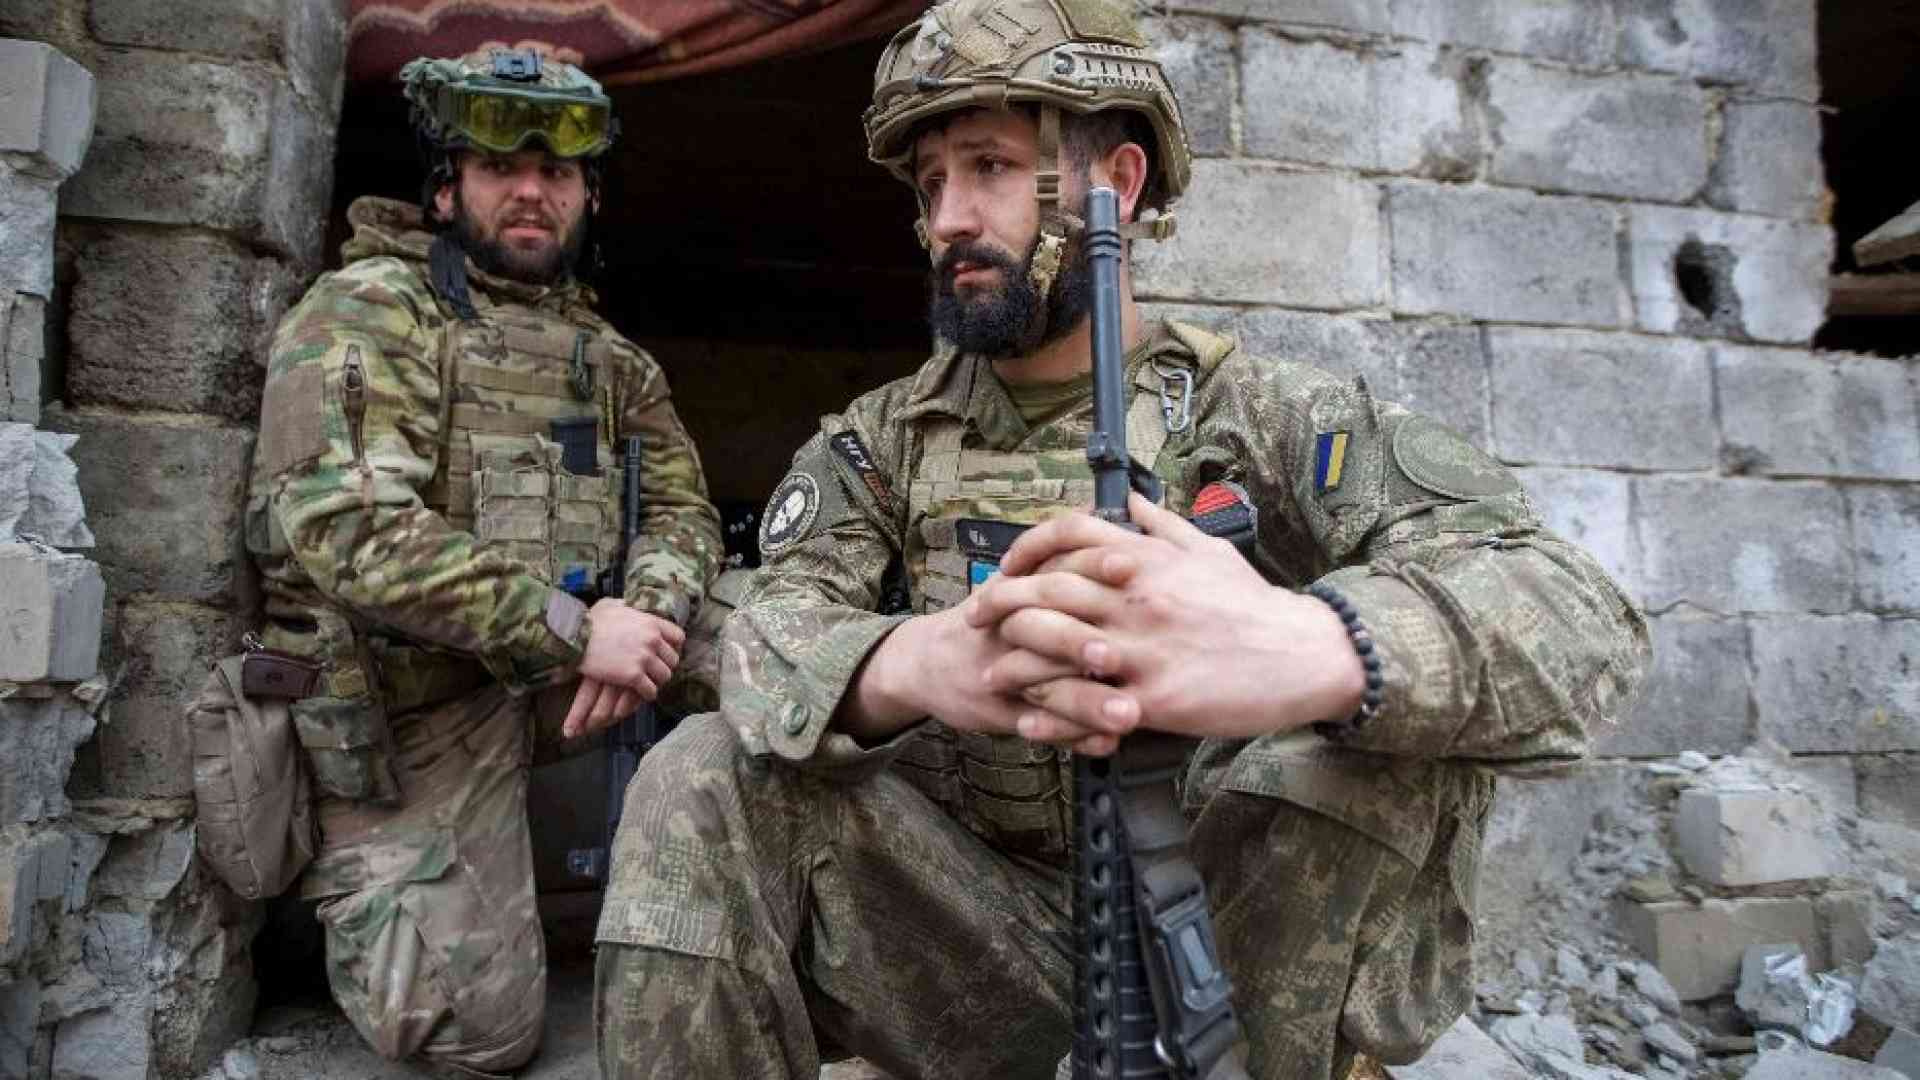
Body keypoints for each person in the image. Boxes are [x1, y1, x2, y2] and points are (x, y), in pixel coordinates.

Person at [591, 2, 1650, 1077]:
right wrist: (911, 662)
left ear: (1119, 185)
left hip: (1225, 963)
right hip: (973, 944)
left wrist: (1313, 645)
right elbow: (752, 626)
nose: (949, 216)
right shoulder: (883, 441)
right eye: (930, 183)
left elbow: (1580, 617)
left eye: (991, 166)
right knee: (700, 772)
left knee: (1355, 748)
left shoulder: (1264, 418)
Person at [242, 48, 722, 1076]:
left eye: (558, 172)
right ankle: (363, 877)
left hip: (559, 680)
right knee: (479, 1033)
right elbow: (348, 529)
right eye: (502, 167)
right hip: (412, 711)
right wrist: (576, 631)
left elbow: (683, 509)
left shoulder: (609, 358)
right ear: (447, 188)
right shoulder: (372, 310)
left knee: (775, 634)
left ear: (589, 196)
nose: (532, 191)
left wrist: (648, 614)